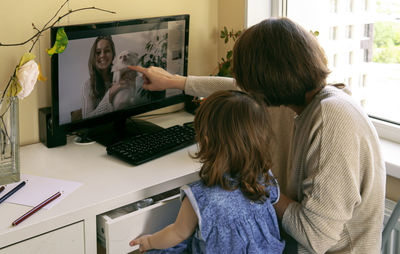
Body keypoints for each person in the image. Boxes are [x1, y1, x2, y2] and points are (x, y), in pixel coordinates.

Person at [129, 17, 386, 254]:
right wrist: (177, 82)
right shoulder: (308, 98)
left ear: (264, 84)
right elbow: (233, 87)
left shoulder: (332, 119)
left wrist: (260, 186)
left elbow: (315, 237)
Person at [130, 90, 285, 253]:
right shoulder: (264, 177)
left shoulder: (201, 197)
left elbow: (177, 233)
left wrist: (149, 241)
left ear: (206, 140)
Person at [81, 35, 129, 118]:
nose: (102, 55)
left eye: (107, 51)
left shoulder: (120, 76)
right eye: (98, 52)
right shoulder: (87, 85)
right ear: (93, 56)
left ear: (113, 54)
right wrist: (110, 93)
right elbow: (87, 121)